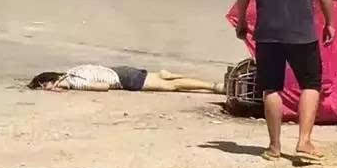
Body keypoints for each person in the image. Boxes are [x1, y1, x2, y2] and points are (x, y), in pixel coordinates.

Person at [234, 0, 335, 162]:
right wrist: (330, 21)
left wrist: (242, 19)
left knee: (271, 87)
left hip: (268, 31)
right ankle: (304, 142)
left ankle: (274, 147)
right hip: (302, 30)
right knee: (310, 83)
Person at [29, 65, 225, 94]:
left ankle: (214, 87)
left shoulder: (74, 82)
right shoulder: (73, 69)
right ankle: (210, 85)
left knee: (171, 87)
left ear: (49, 82)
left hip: (124, 79)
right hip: (120, 68)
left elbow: (104, 87)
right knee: (166, 78)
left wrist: (68, 90)